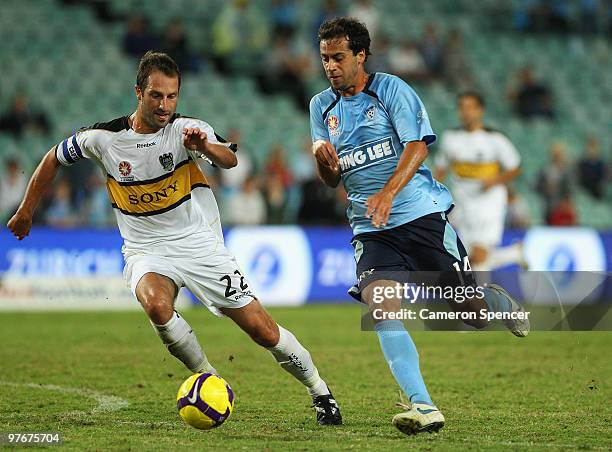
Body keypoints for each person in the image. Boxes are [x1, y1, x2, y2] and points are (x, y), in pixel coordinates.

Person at [7, 51, 341, 426]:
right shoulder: (103, 138)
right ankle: (210, 379)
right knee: (156, 305)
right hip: (145, 249)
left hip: (197, 243)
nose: (165, 105)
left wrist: (203, 147)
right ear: (138, 92)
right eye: (156, 96)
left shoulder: (187, 130)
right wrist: (26, 209)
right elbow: (53, 157)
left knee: (262, 330)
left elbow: (229, 159)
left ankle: (320, 391)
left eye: (171, 96)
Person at [309, 18, 529, 436]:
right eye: (324, 59)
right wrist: (325, 165)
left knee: (472, 314)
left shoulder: (391, 90)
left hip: (421, 218)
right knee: (382, 305)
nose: (331, 67)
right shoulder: (321, 107)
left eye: (338, 57)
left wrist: (389, 193)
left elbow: (417, 146)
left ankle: (494, 303)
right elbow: (332, 178)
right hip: (370, 228)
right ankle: (423, 405)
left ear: (360, 55)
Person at [434, 92, 525, 271]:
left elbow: (516, 167)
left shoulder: (495, 139)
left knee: (479, 254)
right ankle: (514, 254)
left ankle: (478, 298)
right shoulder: (450, 138)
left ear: (480, 110)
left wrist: (496, 180)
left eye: (470, 107)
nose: (465, 112)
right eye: (462, 107)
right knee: (470, 258)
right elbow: (441, 170)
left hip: (489, 201)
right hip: (463, 202)